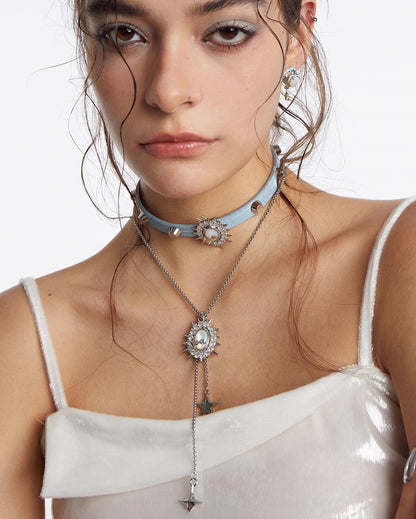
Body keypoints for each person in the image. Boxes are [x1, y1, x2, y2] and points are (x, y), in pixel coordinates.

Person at [1, 0, 415, 517]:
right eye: (124, 33)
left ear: (299, 33)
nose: (167, 91)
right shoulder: (26, 338)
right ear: (88, 47)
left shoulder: (396, 259)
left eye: (226, 33)